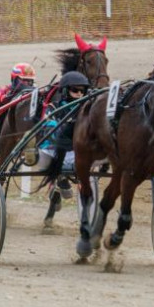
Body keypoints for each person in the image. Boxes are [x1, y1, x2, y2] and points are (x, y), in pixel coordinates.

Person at [25, 71, 91, 210]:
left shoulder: (87, 108)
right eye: (75, 90)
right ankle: (59, 177)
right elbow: (49, 125)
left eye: (83, 91)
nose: (79, 94)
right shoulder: (54, 107)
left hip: (75, 152)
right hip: (51, 151)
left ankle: (62, 181)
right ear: (66, 91)